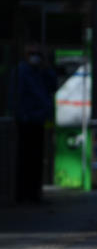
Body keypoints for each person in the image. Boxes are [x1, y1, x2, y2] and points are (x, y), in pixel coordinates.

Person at [9, 44, 57, 203]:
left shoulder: (41, 72)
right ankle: (23, 194)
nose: (35, 56)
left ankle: (34, 193)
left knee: (36, 160)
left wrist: (47, 68)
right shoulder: (21, 72)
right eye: (32, 53)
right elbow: (16, 96)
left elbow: (53, 86)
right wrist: (21, 115)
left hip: (39, 120)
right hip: (26, 121)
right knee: (25, 159)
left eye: (38, 53)